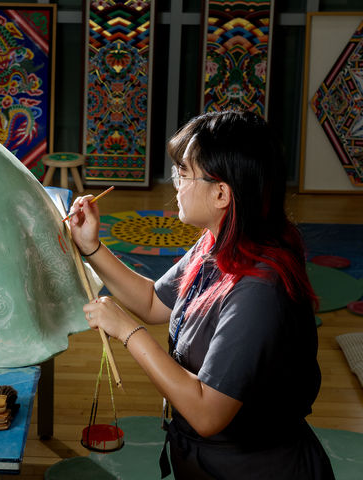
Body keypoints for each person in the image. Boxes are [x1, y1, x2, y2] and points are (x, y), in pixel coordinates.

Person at [69, 110, 334, 479]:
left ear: (222, 192)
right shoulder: (219, 244)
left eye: (183, 173)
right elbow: (151, 301)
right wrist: (92, 247)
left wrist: (126, 331)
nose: (175, 183)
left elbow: (208, 413)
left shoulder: (259, 290)